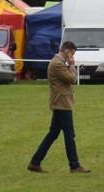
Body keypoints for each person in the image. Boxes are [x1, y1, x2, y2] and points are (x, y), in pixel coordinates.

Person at [28, 41, 91, 174]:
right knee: (69, 135)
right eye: (72, 54)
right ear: (67, 51)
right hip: (62, 104)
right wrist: (72, 65)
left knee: (53, 134)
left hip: (61, 103)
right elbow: (72, 79)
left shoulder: (58, 62)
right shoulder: (57, 64)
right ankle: (74, 165)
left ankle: (35, 162)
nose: (72, 57)